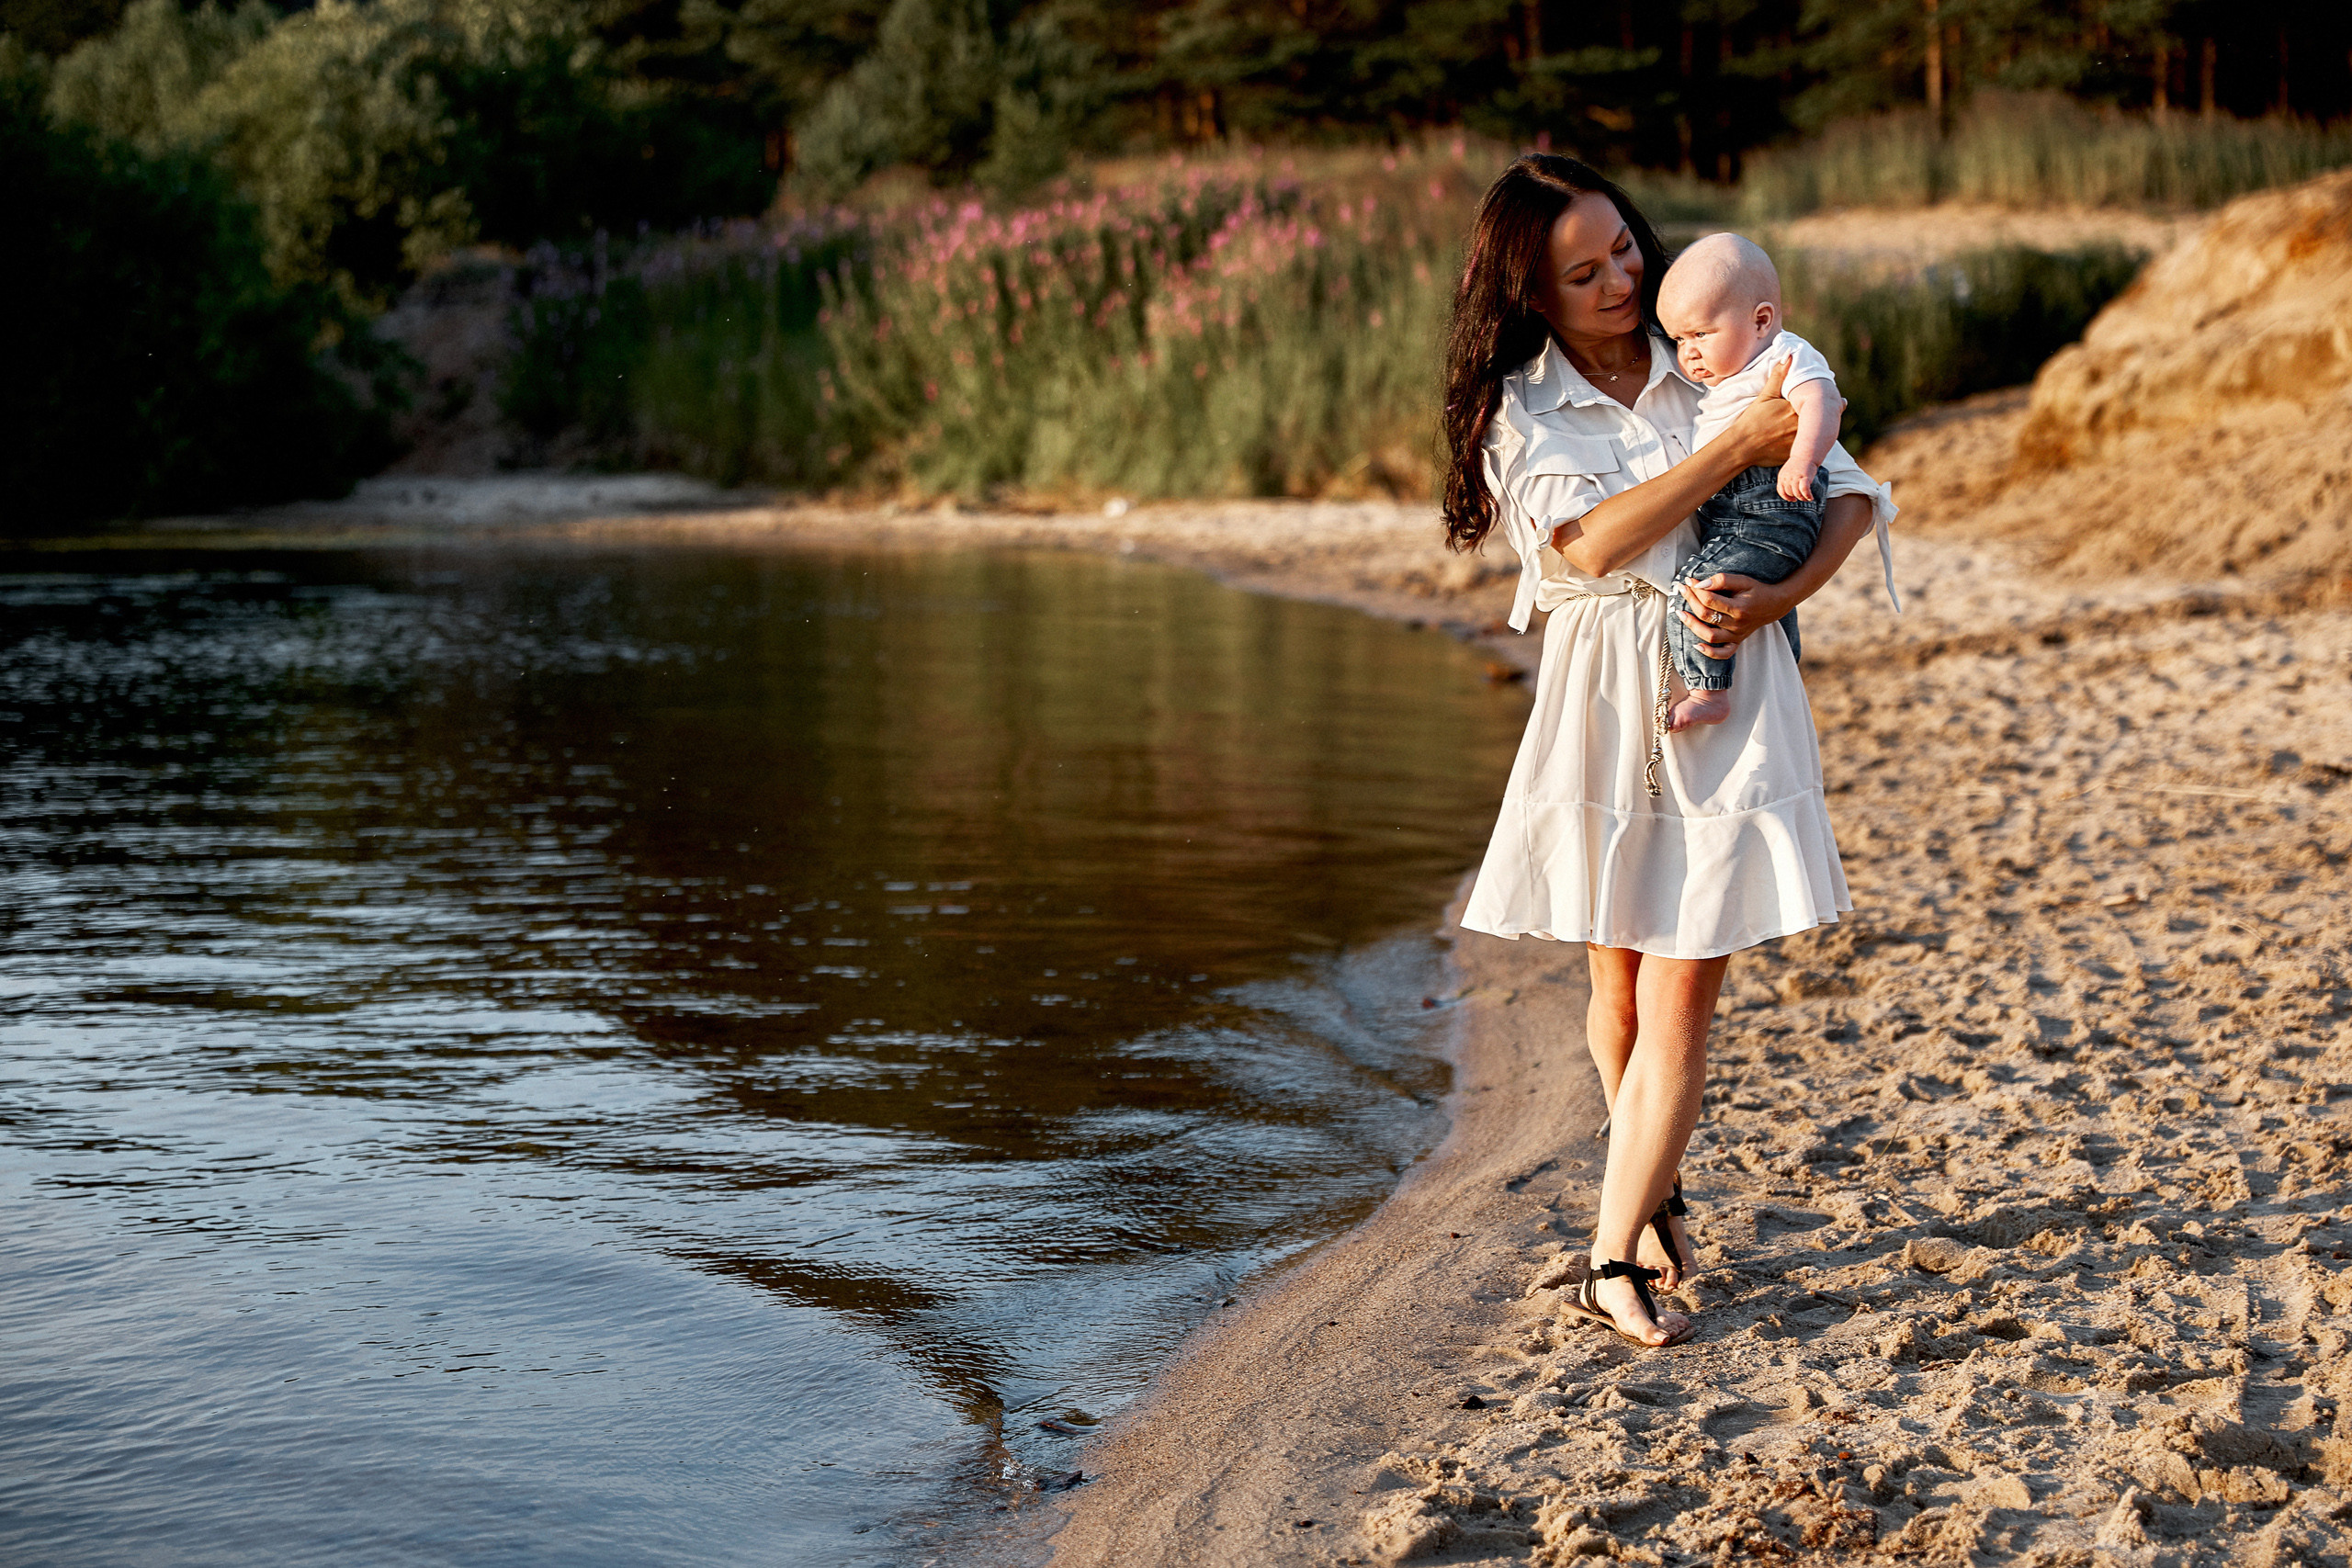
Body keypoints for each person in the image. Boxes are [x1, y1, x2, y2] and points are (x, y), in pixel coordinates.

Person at [1439, 154, 1898, 1348]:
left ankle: (1606, 1252)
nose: (1617, 281)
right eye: (1580, 272)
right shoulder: (1524, 406)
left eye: (1623, 251)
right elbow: (1590, 546)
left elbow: (1853, 495)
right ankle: (1656, 1193)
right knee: (1615, 976)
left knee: (1685, 974)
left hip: (1725, 679)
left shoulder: (1713, 342)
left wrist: (1772, 594)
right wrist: (1730, 448)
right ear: (1530, 293)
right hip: (1599, 688)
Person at [1653, 232, 1887, 731]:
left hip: (1770, 511)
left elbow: (1822, 402)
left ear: (1760, 320)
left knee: (1694, 591)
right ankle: (1786, 669)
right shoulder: (1726, 376)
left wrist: (1801, 462)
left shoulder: (1783, 357)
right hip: (1734, 517)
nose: (1689, 353)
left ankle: (1708, 691)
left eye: (1700, 334)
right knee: (1776, 621)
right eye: (1678, 341)